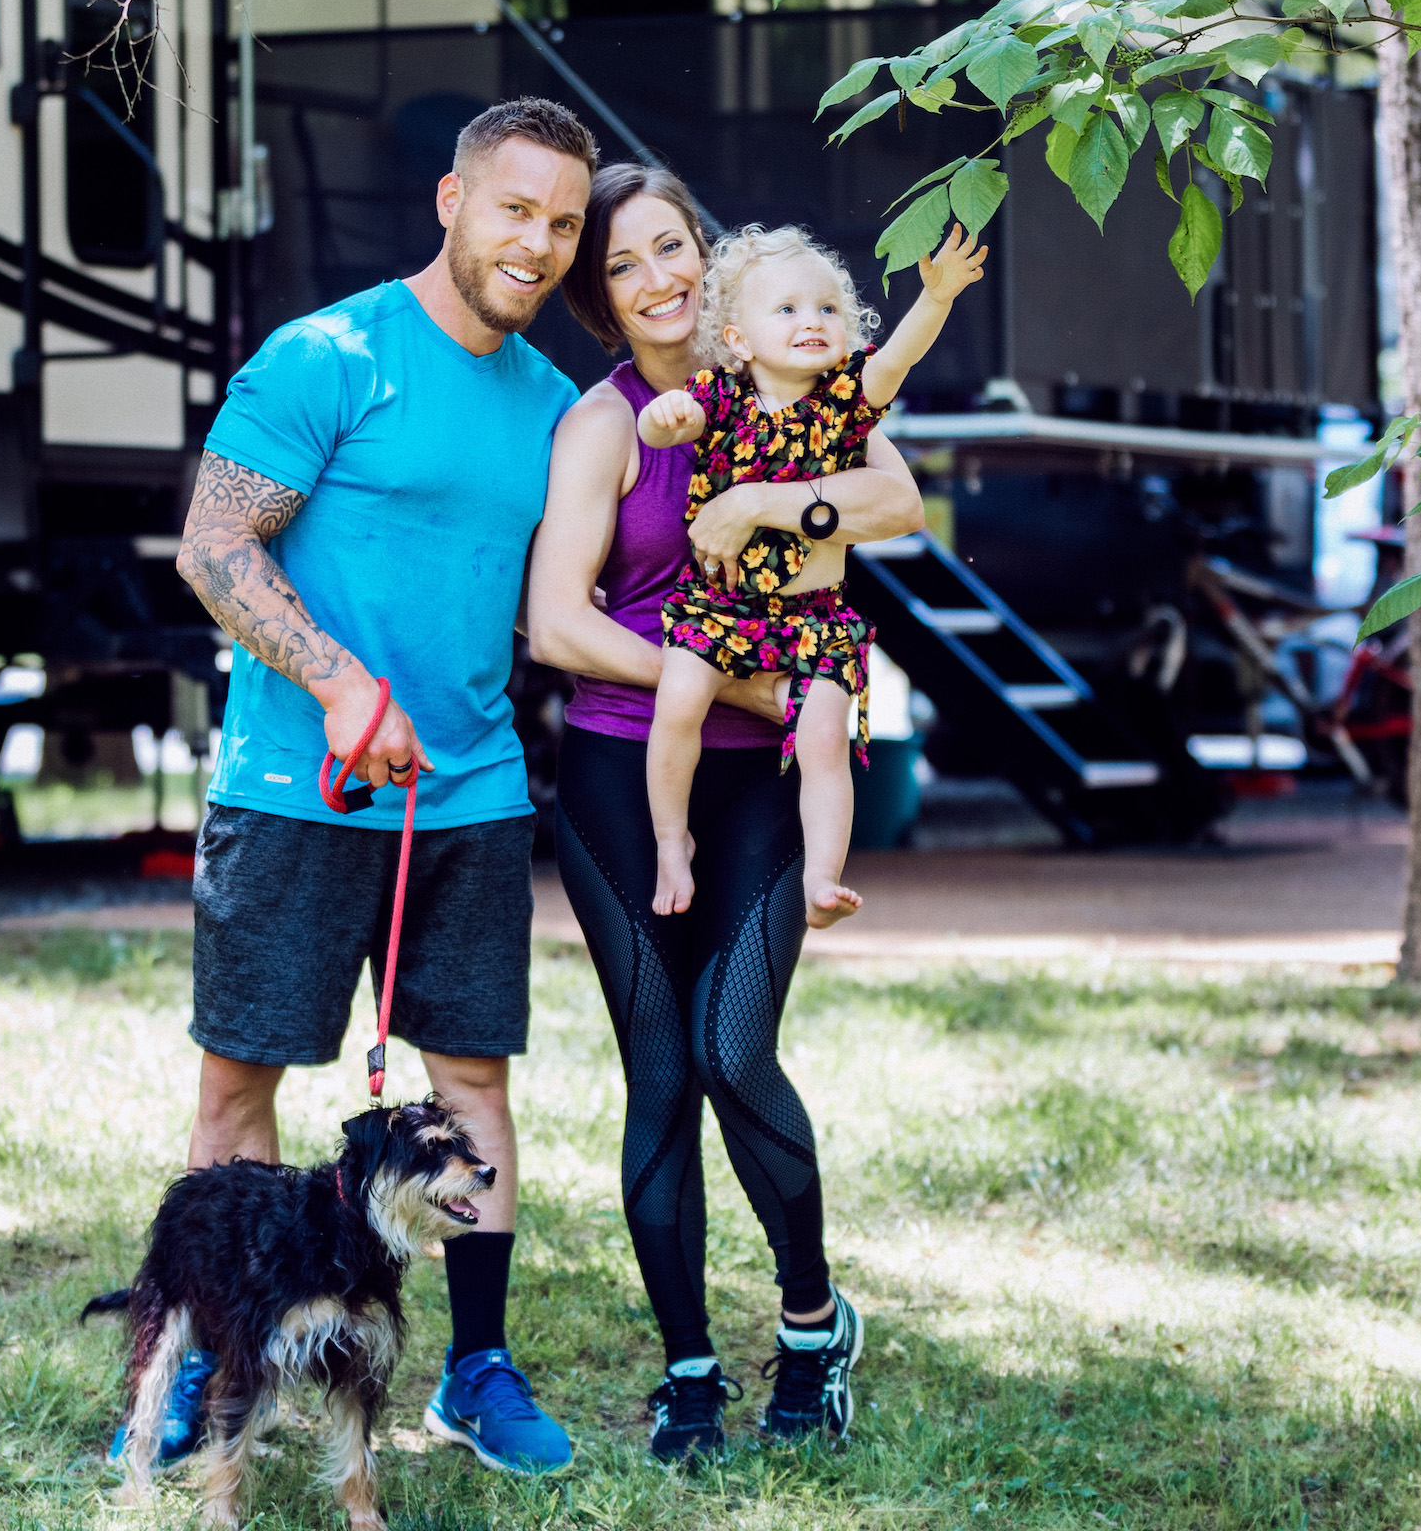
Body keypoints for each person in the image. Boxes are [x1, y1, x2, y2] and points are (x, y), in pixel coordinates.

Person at [147, 96, 596, 1478]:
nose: (538, 243)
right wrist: (342, 681)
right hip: (299, 787)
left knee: (471, 1087)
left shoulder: (557, 410)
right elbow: (213, 547)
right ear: (453, 204)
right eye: (515, 209)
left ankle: (475, 1369)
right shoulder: (328, 355)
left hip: (469, 799)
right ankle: (210, 1360)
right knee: (242, 1089)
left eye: (565, 223)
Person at [523, 166, 927, 1462]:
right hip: (619, 780)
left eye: (676, 246)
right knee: (659, 1074)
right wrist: (726, 675)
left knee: (734, 1048)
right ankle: (687, 1367)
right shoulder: (601, 425)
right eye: (627, 264)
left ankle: (812, 1326)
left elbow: (891, 501)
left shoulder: (789, 382)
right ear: (599, 297)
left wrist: (767, 502)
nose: (662, 278)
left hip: (759, 780)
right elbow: (559, 622)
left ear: (710, 255)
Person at [636, 221, 991, 921]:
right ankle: (672, 842)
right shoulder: (722, 397)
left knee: (824, 738)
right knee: (677, 704)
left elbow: (897, 359)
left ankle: (821, 880)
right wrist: (665, 414)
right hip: (720, 606)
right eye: (788, 309)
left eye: (828, 309)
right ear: (738, 339)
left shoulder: (844, 408)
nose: (813, 321)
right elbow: (658, 429)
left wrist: (938, 298)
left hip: (814, 619)